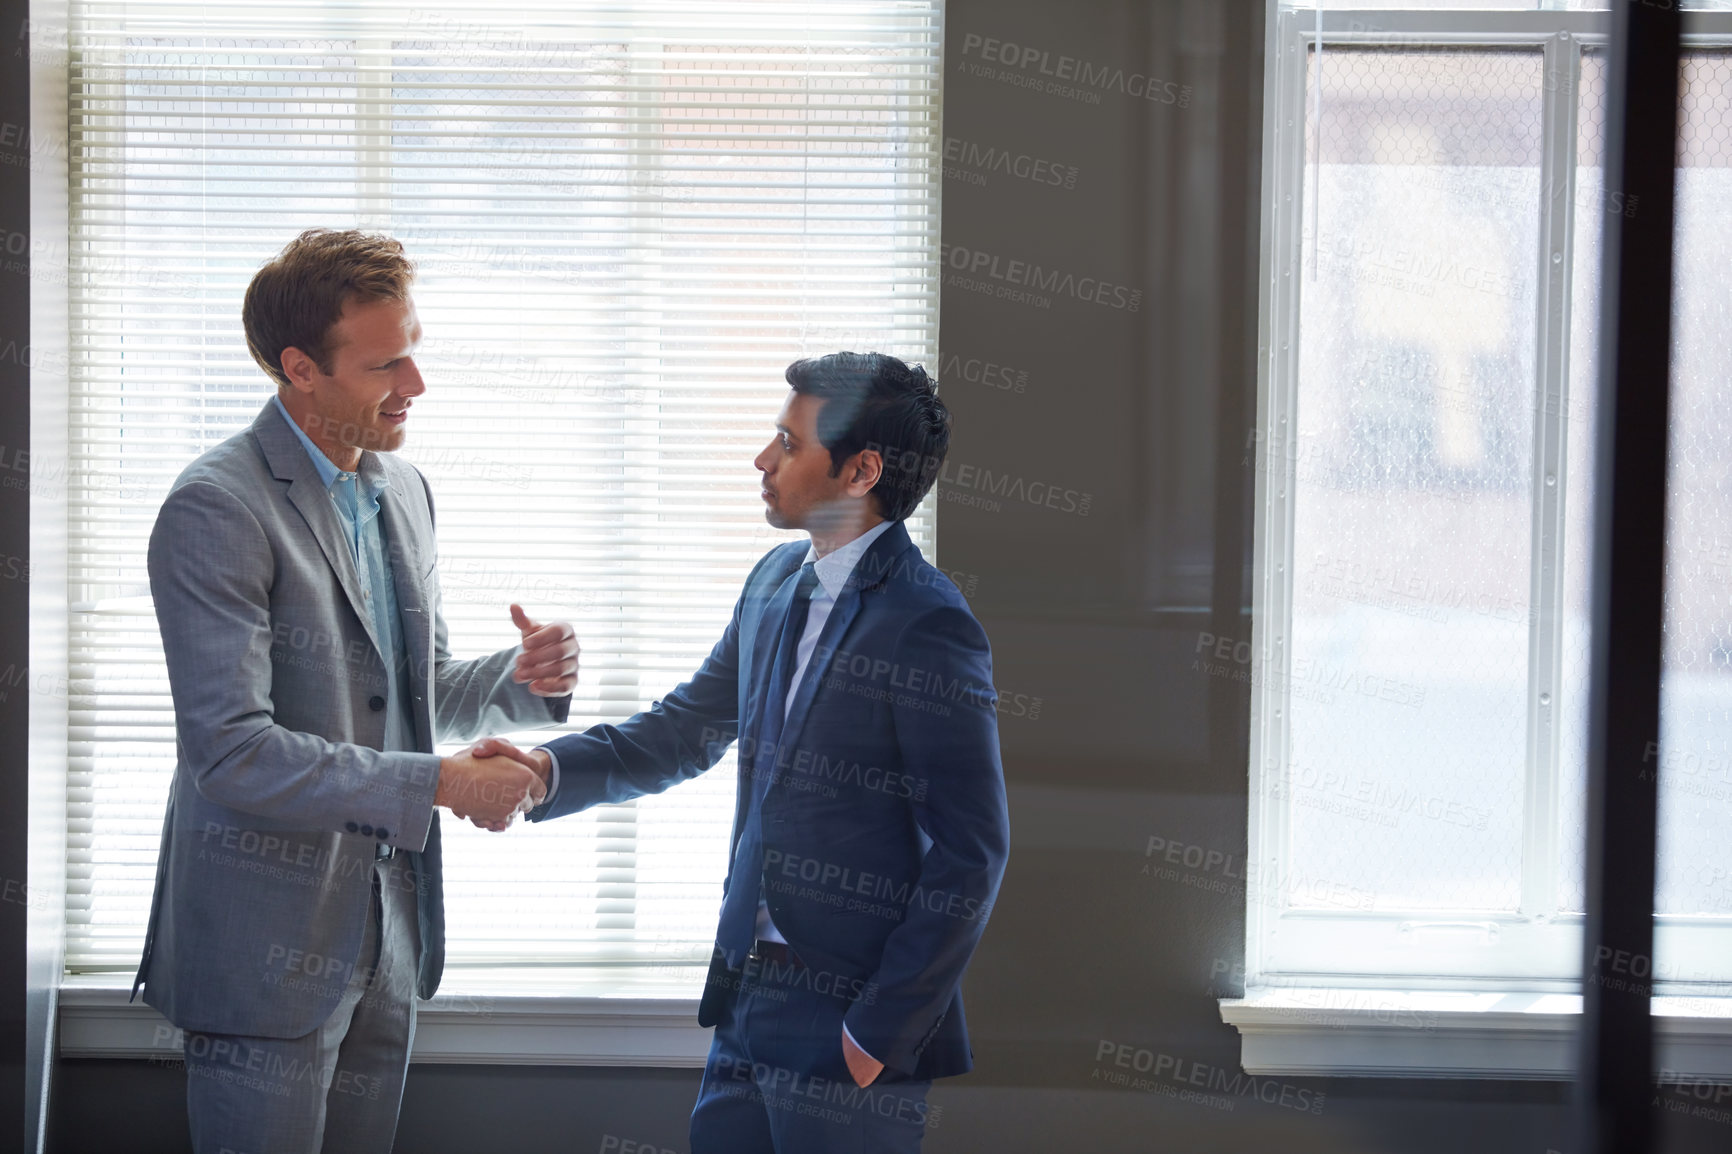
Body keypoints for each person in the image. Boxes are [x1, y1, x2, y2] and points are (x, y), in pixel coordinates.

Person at [477, 351, 1010, 1153]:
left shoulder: (927, 622)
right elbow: (684, 728)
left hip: (849, 1022)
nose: (764, 460)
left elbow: (972, 852)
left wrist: (875, 1033)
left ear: (862, 471)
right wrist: (548, 771)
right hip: (744, 1000)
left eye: (788, 444)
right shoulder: (772, 581)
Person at [132, 228, 580, 1154]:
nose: (415, 386)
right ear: (301, 367)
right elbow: (232, 753)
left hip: (389, 939)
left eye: (413, 354)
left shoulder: (402, 487)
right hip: (263, 952)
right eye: (388, 364)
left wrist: (520, 679)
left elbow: (410, 694)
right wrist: (442, 784)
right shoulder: (216, 506)